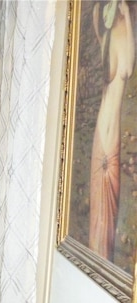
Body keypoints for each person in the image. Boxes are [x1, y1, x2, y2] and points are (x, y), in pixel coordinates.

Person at [89, 0, 135, 260]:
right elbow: (97, 18)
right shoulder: (108, 36)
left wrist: (128, 18)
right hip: (102, 127)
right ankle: (97, 250)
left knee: (107, 191)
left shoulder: (121, 35)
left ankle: (101, 254)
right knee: (100, 194)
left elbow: (128, 68)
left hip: (108, 129)